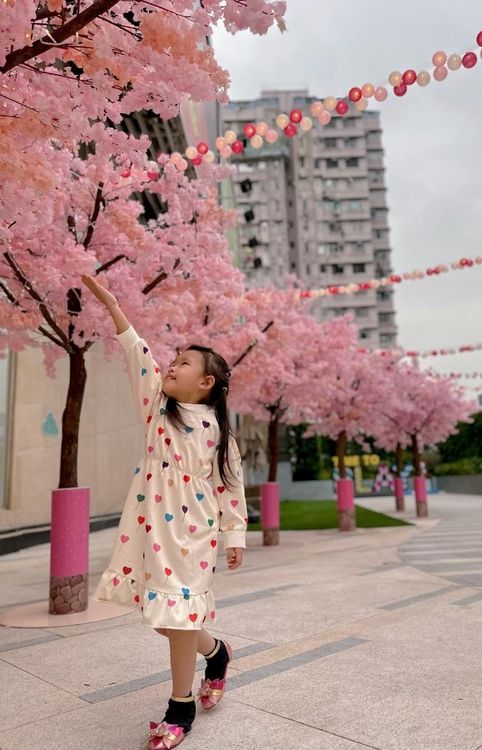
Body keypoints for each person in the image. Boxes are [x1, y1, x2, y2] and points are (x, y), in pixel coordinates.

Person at [82, 273, 247, 750]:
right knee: (163, 617)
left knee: (176, 619)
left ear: (207, 382)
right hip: (151, 527)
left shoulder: (221, 435)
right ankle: (216, 654)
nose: (172, 367)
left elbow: (229, 487)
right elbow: (139, 356)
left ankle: (180, 709)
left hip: (196, 534)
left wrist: (235, 537)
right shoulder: (158, 407)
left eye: (184, 364)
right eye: (173, 361)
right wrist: (115, 307)